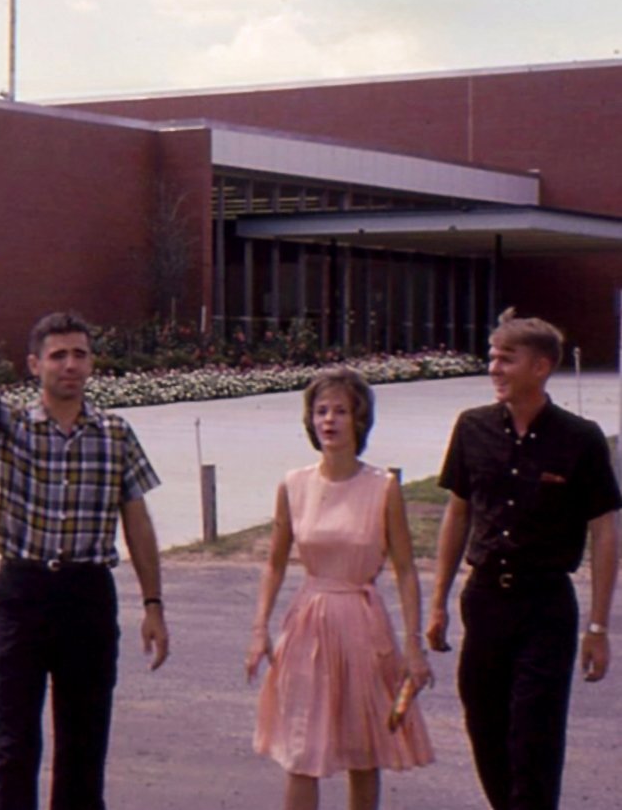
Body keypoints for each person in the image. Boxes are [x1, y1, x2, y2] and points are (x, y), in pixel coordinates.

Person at [0, 300, 169, 810]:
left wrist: (153, 604)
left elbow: (137, 522)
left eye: (80, 354)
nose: (70, 365)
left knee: (83, 750)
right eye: (58, 355)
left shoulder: (116, 434)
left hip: (88, 598)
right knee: (13, 747)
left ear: (92, 363)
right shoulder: (10, 427)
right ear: (35, 364)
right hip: (22, 595)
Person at [427, 308, 621, 810]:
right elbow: (457, 514)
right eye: (492, 357)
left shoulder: (580, 439)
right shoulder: (471, 428)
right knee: (484, 723)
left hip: (545, 606)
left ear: (541, 366)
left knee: (534, 733)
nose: (494, 368)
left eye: (506, 359)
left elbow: (604, 532)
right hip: (486, 599)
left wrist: (598, 628)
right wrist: (438, 603)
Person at [247, 368, 434, 810]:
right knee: (300, 748)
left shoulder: (383, 487)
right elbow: (274, 563)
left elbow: (405, 569)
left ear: (359, 420)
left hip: (363, 624)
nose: (329, 420)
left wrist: (413, 645)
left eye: (340, 411)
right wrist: (259, 629)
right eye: (321, 411)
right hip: (308, 623)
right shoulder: (293, 484)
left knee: (363, 748)